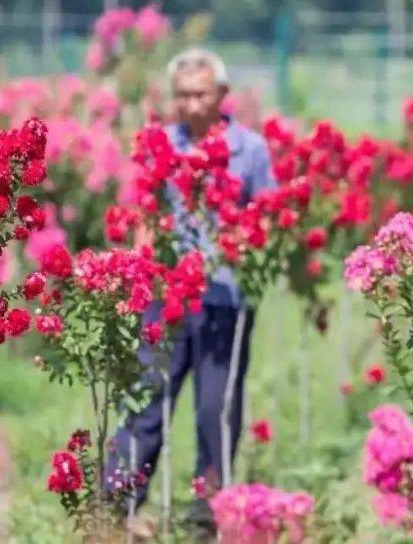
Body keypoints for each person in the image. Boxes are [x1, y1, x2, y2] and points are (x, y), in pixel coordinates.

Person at [105, 48, 275, 529]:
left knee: (214, 410)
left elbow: (267, 217)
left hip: (224, 298)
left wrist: (238, 244)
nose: (191, 104)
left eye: (200, 94)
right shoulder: (163, 144)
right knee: (146, 401)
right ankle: (117, 507)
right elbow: (145, 211)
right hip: (165, 295)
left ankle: (208, 517)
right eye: (182, 96)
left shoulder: (251, 151)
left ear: (222, 95)